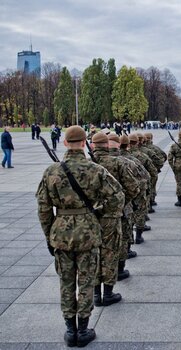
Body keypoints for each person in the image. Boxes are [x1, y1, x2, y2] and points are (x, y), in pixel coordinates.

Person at [36, 126, 125, 347]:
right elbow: (117, 197)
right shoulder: (96, 170)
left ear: (65, 143)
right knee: (86, 282)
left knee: (66, 282)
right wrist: (98, 213)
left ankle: (70, 330)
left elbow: (43, 208)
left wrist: (49, 235)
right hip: (88, 234)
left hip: (62, 235)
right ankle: (83, 330)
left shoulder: (51, 172)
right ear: (86, 142)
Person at [91, 132, 140, 308]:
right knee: (110, 253)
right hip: (112, 216)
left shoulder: (88, 164)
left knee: (93, 254)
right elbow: (134, 188)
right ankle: (108, 293)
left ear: (92, 145)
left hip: (89, 217)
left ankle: (96, 294)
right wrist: (118, 204)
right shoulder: (118, 162)